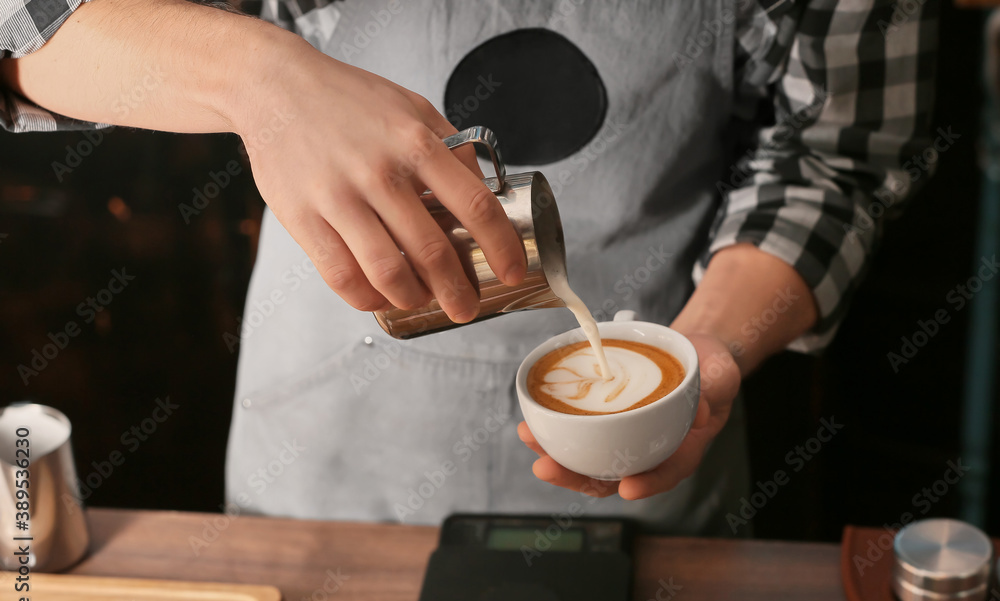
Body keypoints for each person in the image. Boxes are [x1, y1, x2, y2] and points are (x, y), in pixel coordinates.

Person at [0, 0, 937, 534]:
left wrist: (710, 350)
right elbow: (23, 31)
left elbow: (835, 156)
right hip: (326, 475)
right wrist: (264, 78)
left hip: (647, 476)